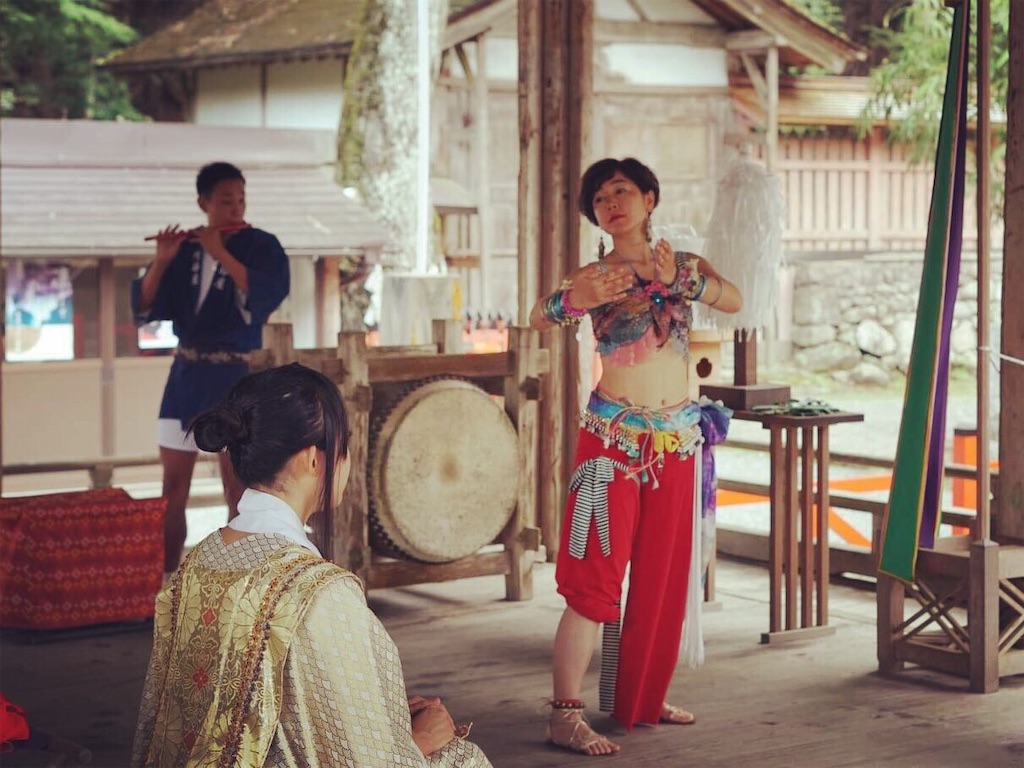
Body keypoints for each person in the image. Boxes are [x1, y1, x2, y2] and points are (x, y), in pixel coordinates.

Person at [131, 363, 493, 768]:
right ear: (313, 460)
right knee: (461, 757)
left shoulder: (196, 564)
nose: (347, 461)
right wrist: (420, 739)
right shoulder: (320, 593)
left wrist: (383, 719)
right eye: (344, 446)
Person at [529, 157, 742, 756]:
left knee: (664, 575)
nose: (611, 204)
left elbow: (733, 298)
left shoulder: (685, 266)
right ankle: (565, 714)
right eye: (599, 199)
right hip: (612, 440)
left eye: (621, 191)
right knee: (594, 577)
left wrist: (686, 282)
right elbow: (537, 316)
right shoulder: (594, 276)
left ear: (649, 198)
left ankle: (642, 698)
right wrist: (573, 299)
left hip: (675, 441)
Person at [131, 161, 290, 577]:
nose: (236, 207)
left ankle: (235, 583)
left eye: (240, 199)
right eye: (225, 200)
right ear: (204, 203)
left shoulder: (262, 245)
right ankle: (168, 582)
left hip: (235, 377)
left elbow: (267, 295)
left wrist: (220, 252)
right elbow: (145, 306)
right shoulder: (184, 249)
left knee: (237, 488)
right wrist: (162, 260)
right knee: (171, 489)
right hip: (185, 375)